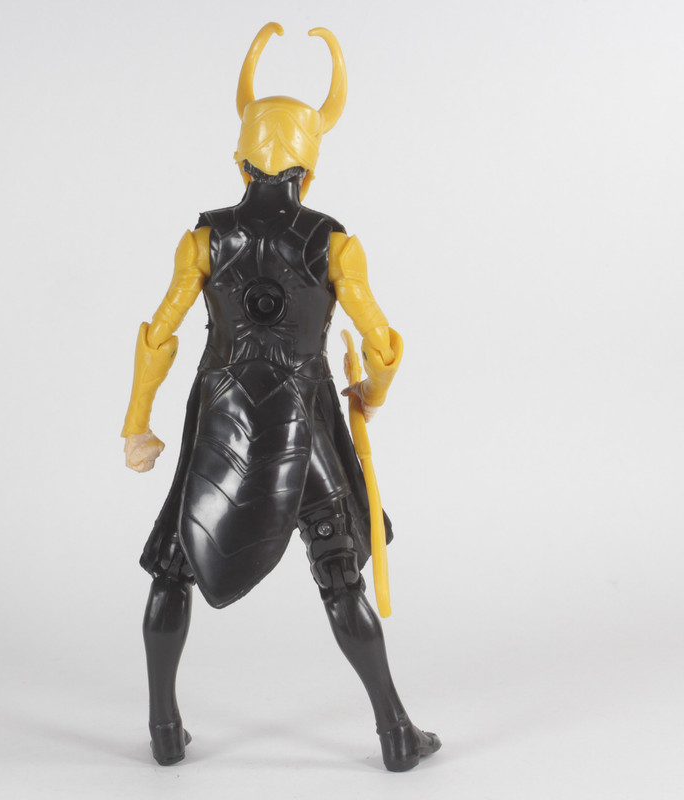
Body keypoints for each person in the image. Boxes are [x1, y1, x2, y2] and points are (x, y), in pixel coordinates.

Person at [121, 22, 440, 772]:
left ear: (240, 160)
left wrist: (137, 424)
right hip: (305, 420)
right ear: (311, 165)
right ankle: (395, 733)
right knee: (338, 573)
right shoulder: (335, 245)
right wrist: (372, 390)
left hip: (220, 419)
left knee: (174, 563)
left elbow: (160, 334)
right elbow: (383, 344)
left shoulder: (204, 240)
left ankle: (163, 728)